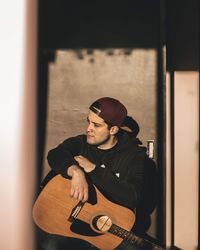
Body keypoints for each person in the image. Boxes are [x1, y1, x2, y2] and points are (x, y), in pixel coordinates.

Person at [37, 97, 153, 250]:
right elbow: (55, 154)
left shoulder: (133, 155)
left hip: (107, 231)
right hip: (69, 228)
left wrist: (93, 170)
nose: (88, 129)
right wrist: (76, 171)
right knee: (50, 245)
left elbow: (132, 196)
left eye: (96, 125)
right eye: (88, 122)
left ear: (113, 130)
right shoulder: (81, 143)